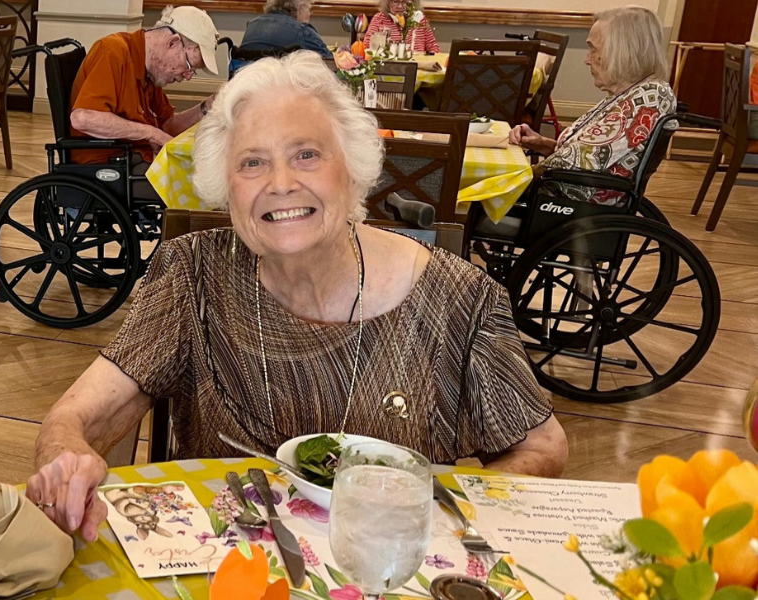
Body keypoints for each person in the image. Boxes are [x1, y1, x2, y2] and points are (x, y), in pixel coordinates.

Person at [28, 52, 568, 542]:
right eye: (252, 162)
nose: (281, 183)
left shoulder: (458, 299)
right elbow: (76, 417)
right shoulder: (192, 273)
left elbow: (541, 447)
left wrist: (442, 523)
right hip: (227, 568)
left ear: (354, 170)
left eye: (307, 154)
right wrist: (64, 456)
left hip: (381, 567)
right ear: (225, 185)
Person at [509, 5, 676, 205]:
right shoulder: (629, 94)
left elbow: (581, 162)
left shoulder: (649, 97)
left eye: (594, 49)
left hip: (565, 205)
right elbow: (586, 156)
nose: (587, 59)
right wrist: (543, 143)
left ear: (622, 52)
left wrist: (516, 179)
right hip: (558, 194)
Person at [68, 5, 220, 173]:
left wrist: (208, 106)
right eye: (189, 66)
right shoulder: (114, 51)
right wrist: (149, 133)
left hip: (134, 159)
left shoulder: (150, 72)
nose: (189, 76)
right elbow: (82, 118)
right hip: (105, 165)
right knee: (196, 185)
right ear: (172, 43)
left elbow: (168, 126)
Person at [231, 0, 331, 75]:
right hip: (286, 89)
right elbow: (330, 64)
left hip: (251, 85)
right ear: (300, 8)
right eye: (309, 10)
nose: (309, 14)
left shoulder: (252, 25)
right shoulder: (302, 30)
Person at [362, 0, 440, 54]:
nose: (400, 6)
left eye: (405, 2)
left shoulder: (420, 19)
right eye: (395, 1)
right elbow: (367, 47)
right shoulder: (379, 18)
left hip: (417, 70)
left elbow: (433, 47)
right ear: (388, 2)